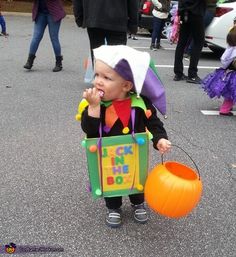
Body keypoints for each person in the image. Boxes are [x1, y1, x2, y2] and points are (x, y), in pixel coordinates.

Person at [79, 45, 171, 228]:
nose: (98, 81)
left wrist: (159, 138)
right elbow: (89, 130)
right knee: (111, 180)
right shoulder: (95, 104)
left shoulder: (140, 103)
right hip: (109, 157)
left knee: (137, 178)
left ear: (126, 85)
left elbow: (153, 123)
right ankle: (113, 207)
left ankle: (138, 203)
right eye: (97, 75)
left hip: (134, 154)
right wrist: (94, 108)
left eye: (106, 77)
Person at [72, 0, 139, 62]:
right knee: (116, 61)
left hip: (94, 17)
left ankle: (99, 73)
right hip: (117, 18)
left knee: (97, 59)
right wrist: (133, 24)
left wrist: (79, 18)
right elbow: (133, 3)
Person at [202, 26, 236, 116]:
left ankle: (227, 107)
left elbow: (224, 61)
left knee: (230, 92)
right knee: (232, 93)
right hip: (233, 74)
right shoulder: (234, 51)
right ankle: (224, 110)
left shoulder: (230, 48)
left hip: (228, 72)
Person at [23, 0, 66, 72]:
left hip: (53, 13)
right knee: (36, 36)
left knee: (54, 38)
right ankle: (29, 61)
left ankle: (59, 62)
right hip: (40, 13)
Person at [173, 0, 206, 84]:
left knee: (181, 42)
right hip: (196, 11)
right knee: (199, 41)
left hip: (183, 11)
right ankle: (192, 74)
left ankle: (178, 73)